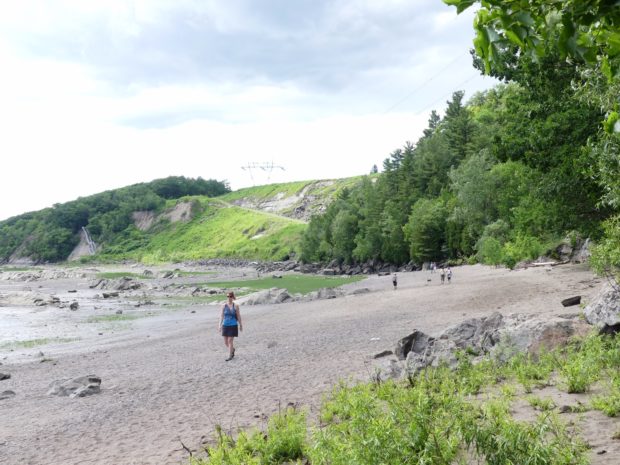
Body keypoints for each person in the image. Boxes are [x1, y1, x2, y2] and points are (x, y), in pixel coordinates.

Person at [219, 291, 243, 361]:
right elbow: (221, 316)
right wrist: (219, 325)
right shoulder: (223, 306)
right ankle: (232, 349)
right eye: (227, 296)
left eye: (230, 296)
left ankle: (230, 356)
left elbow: (238, 316)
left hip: (233, 325)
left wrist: (241, 325)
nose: (228, 298)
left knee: (230, 341)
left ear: (232, 297)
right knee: (226, 342)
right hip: (225, 325)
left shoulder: (236, 306)